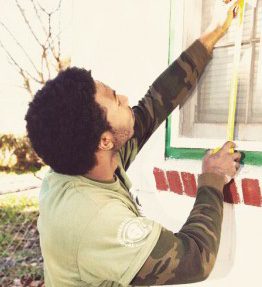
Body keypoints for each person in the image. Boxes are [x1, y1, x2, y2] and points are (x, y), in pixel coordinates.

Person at [25, 1, 241, 286]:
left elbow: (155, 103)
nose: (126, 99)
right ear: (104, 141)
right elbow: (195, 260)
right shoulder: (95, 221)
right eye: (116, 99)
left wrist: (213, 32)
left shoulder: (86, 160)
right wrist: (212, 177)